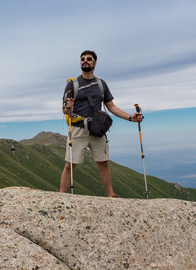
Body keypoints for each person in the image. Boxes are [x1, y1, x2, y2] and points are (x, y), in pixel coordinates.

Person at [60, 50, 142, 197]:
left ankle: (111, 195)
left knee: (103, 163)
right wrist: (67, 107)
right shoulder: (72, 84)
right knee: (69, 165)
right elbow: (65, 111)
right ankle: (61, 196)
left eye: (89, 59)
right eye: (82, 59)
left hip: (97, 129)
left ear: (95, 63)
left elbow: (111, 106)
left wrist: (130, 118)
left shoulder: (101, 84)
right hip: (78, 128)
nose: (85, 61)